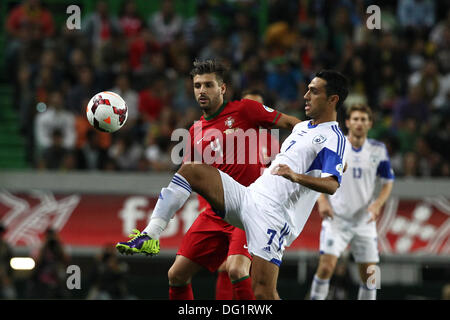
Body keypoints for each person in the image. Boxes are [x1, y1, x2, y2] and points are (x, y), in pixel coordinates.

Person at [117, 69, 349, 299]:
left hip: (274, 217)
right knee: (190, 170)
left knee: (262, 293)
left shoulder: (334, 138)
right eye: (307, 90)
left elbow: (331, 184)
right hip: (248, 197)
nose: (306, 96)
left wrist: (296, 176)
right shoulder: (302, 129)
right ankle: (151, 234)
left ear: (333, 99)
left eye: (313, 91)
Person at [309, 104, 394, 300]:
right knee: (325, 267)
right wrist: (322, 201)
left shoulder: (378, 149)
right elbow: (319, 175)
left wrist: (377, 204)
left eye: (363, 119)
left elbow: (388, 182)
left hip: (364, 220)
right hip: (336, 218)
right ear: (347, 122)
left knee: (372, 274)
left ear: (370, 124)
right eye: (355, 119)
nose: (359, 123)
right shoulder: (338, 146)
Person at [214, 89, 279, 300]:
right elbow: (209, 176)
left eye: (257, 108)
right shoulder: (224, 137)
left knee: (246, 272)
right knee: (227, 268)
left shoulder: (272, 143)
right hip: (226, 208)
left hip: (257, 212)